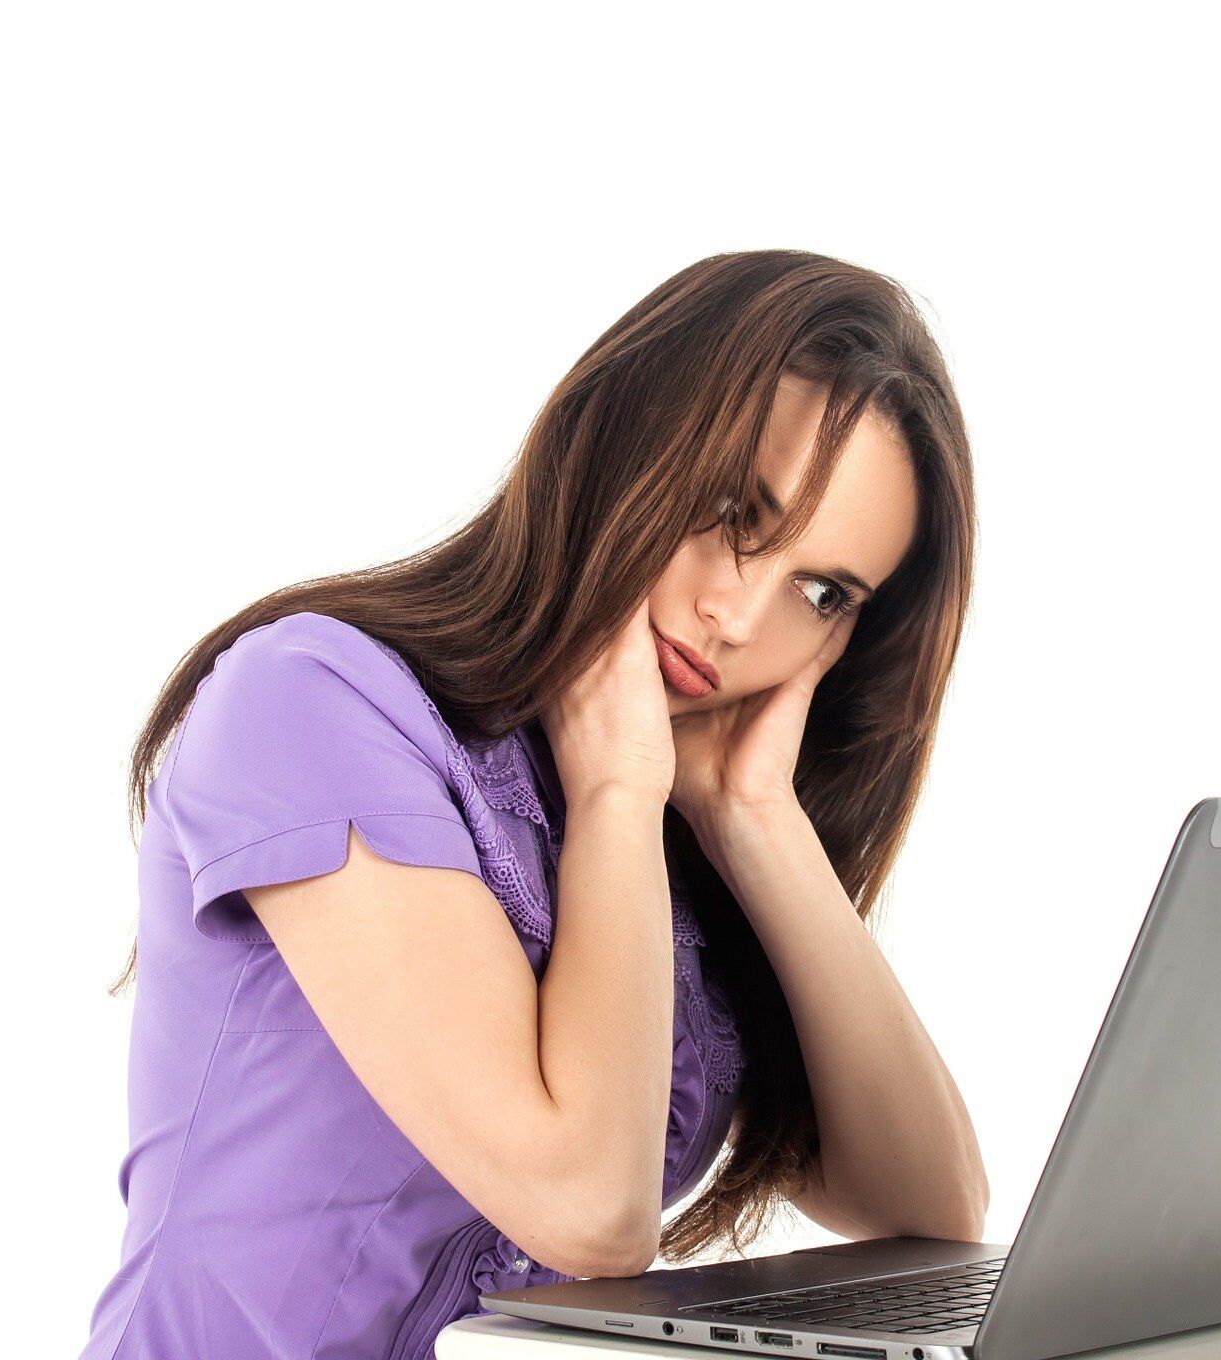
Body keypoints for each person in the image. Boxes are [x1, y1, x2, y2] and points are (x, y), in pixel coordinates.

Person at [80, 249, 987, 1360]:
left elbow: (933, 1215)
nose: (740, 615)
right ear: (622, 436)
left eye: (820, 591)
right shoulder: (311, 704)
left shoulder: (673, 840)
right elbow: (586, 1210)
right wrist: (615, 792)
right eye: (731, 510)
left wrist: (755, 819)